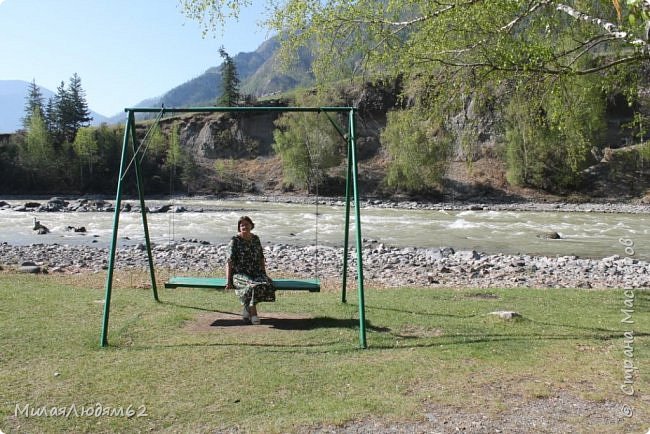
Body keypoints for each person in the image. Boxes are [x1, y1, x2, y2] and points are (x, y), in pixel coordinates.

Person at [225, 216, 276, 324]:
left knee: (264, 283)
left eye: (246, 224)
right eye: (242, 225)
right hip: (240, 274)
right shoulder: (235, 240)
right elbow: (229, 262)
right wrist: (228, 281)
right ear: (239, 227)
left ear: (251, 226)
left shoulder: (256, 239)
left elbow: (261, 258)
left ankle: (246, 307)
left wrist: (264, 274)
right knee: (252, 285)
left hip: (256, 272)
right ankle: (253, 313)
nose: (244, 226)